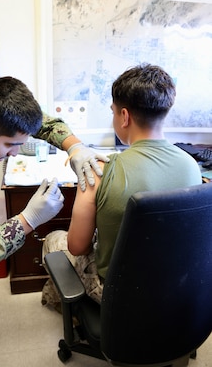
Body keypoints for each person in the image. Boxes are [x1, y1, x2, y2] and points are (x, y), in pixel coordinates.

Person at [0, 77, 109, 367]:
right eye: (10, 144)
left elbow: (39, 123)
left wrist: (74, 147)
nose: (15, 152)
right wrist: (25, 220)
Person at [41, 63, 203, 308]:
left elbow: (77, 246)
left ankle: (73, 315)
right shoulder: (192, 166)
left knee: (54, 240)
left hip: (118, 292)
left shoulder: (98, 170)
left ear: (124, 116)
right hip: (175, 284)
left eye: (113, 111)